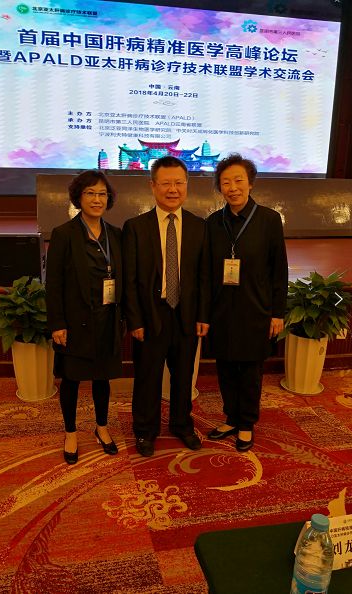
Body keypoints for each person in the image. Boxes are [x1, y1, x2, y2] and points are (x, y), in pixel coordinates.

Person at [123, 156, 210, 457]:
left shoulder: (199, 226)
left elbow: (204, 277)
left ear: (187, 185)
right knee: (147, 377)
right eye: (166, 183)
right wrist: (134, 320)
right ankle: (145, 431)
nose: (173, 189)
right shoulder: (135, 227)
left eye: (179, 183)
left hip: (186, 315)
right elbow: (130, 280)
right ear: (153, 186)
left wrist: (203, 315)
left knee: (183, 377)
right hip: (150, 315)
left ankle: (182, 425)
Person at [206, 153, 288, 452]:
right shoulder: (213, 222)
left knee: (250, 371)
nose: (233, 187)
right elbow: (207, 272)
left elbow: (279, 270)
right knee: (226, 368)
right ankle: (231, 417)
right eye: (226, 182)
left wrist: (277, 313)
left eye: (238, 180)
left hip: (256, 309)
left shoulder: (269, 220)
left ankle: (246, 423)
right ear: (220, 187)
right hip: (222, 311)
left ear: (251, 183)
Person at [46, 170, 123, 465]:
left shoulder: (116, 235)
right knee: (72, 380)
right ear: (79, 197)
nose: (97, 199)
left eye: (102, 194)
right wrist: (57, 324)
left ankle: (101, 427)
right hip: (75, 323)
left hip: (107, 320)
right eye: (90, 193)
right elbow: (53, 284)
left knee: (102, 379)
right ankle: (70, 432)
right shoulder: (64, 234)